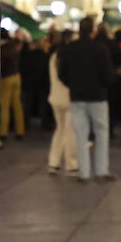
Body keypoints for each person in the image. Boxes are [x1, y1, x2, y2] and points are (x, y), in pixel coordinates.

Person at [58, 15, 115, 182]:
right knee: (101, 132)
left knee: (81, 134)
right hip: (98, 96)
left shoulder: (71, 48)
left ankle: (83, 172)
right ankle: (101, 170)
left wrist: (72, 85)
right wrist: (105, 85)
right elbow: (107, 73)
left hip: (77, 96)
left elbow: (62, 73)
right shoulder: (100, 48)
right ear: (93, 30)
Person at [46, 31, 79, 175]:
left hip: (55, 97)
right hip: (69, 98)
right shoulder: (70, 56)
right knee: (70, 130)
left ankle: (53, 162)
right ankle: (71, 164)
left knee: (59, 129)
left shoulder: (54, 56)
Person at [0, 30, 25, 147]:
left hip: (6, 78)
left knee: (4, 107)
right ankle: (20, 131)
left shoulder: (1, 49)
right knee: (17, 105)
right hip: (17, 76)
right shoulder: (13, 46)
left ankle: (3, 133)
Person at [20, 35, 51, 131]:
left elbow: (23, 69)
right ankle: (44, 124)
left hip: (29, 84)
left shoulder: (28, 56)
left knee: (27, 105)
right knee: (43, 105)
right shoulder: (46, 56)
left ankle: (25, 124)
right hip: (42, 84)